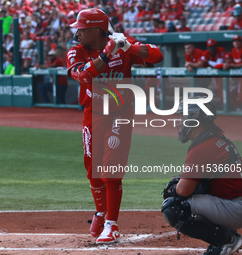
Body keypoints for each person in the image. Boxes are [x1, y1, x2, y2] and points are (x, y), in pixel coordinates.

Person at [67, 8, 163, 244]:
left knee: (111, 171)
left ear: (96, 30)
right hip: (92, 114)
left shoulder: (121, 43)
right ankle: (100, 212)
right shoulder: (76, 50)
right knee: (93, 170)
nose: (77, 33)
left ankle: (112, 224)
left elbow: (157, 56)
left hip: (119, 113)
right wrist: (107, 55)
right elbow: (84, 76)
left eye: (81, 29)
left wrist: (128, 47)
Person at [162, 98, 242, 255]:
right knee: (198, 190)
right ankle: (229, 235)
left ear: (195, 119)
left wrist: (173, 190)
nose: (182, 122)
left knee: (173, 207)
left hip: (236, 209)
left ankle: (226, 241)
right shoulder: (217, 136)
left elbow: (183, 191)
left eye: (184, 117)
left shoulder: (203, 146)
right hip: (235, 203)